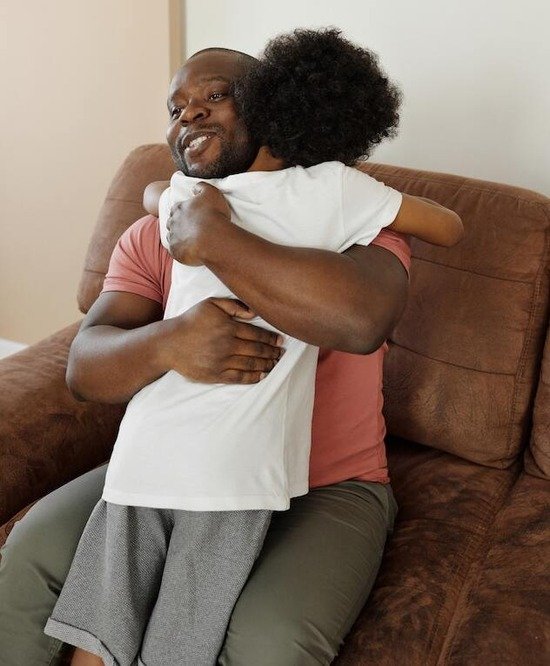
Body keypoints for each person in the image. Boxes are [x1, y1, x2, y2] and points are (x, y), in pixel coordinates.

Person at [0, 33, 453, 666]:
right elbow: (85, 367)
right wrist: (171, 342)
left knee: (271, 644)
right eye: (175, 107)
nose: (189, 114)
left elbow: (357, 321)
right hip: (178, 459)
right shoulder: (155, 230)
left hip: (329, 485)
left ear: (272, 111)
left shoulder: (340, 212)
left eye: (216, 96)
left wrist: (213, 240)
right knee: (28, 558)